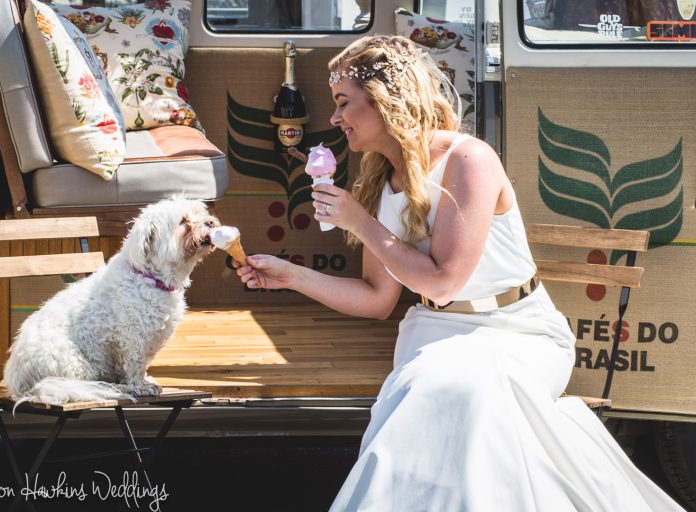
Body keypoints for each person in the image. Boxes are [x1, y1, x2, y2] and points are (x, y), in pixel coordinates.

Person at [235, 35, 684, 511]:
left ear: (386, 98)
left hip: (519, 331)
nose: (333, 118)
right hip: (435, 330)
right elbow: (376, 298)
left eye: (344, 102)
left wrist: (360, 223)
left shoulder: (468, 159)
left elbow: (444, 282)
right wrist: (292, 276)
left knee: (464, 388)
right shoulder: (378, 180)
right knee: (439, 385)